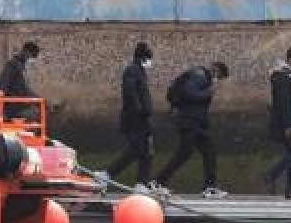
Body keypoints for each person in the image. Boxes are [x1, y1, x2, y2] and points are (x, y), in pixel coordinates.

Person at [153, 61, 230, 199]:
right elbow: (190, 93)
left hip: (196, 123)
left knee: (208, 152)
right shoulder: (199, 75)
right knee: (184, 153)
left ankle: (209, 188)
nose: (218, 80)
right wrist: (209, 91)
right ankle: (158, 182)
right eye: (220, 77)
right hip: (189, 122)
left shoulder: (203, 77)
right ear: (216, 70)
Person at [98, 42, 156, 195]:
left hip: (139, 118)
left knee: (140, 151)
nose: (151, 62)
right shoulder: (132, 70)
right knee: (143, 150)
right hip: (135, 119)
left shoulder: (138, 71)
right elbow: (131, 92)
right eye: (149, 58)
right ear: (144, 57)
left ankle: (110, 176)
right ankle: (138, 183)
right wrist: (140, 111)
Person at [264, 46, 291, 198]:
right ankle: (270, 175)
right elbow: (284, 103)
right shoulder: (282, 77)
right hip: (288, 125)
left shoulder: (288, 76)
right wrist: (289, 125)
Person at [0, 41, 43, 123]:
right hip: (11, 108)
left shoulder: (20, 66)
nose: (31, 60)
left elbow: (25, 89)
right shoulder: (13, 65)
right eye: (32, 57)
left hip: (17, 106)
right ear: (26, 52)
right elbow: (1, 86)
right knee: (33, 116)